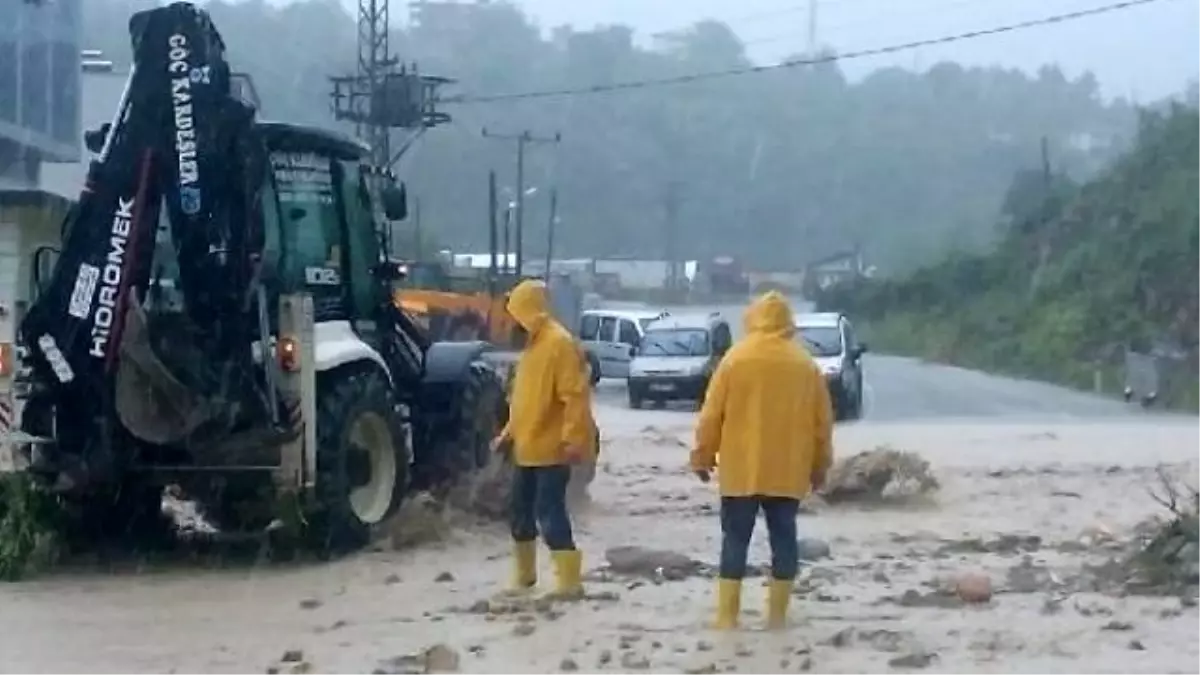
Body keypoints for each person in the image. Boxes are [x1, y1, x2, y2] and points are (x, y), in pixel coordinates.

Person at [691, 290, 834, 630]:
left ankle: (727, 619)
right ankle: (777, 618)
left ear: (752, 318)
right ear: (788, 322)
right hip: (788, 472)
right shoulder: (804, 365)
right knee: (785, 542)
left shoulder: (734, 360)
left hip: (741, 471)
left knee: (735, 541)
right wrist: (820, 466)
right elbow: (822, 424)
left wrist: (702, 456)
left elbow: (712, 415)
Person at [491, 279, 597, 598]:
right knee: (519, 513)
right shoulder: (532, 349)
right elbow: (523, 402)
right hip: (526, 449)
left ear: (527, 313)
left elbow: (575, 397)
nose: (510, 323)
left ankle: (569, 582)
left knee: (549, 513)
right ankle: (525, 578)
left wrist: (574, 441)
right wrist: (507, 434)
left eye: (513, 315)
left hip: (553, 451)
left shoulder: (559, 344)